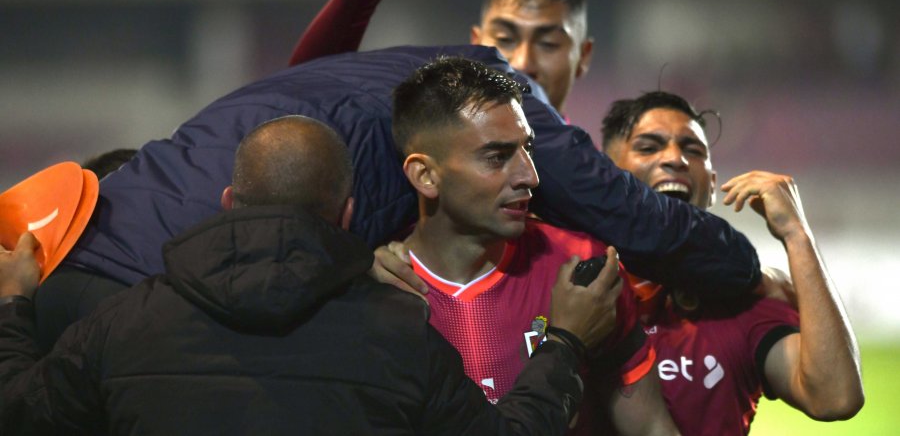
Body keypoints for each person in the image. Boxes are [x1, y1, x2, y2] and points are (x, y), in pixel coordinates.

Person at [41, 44, 759, 350]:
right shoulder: (499, 101)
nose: (527, 173)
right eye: (507, 155)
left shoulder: (366, 82)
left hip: (61, 267)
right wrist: (744, 268)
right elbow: (621, 210)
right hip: (152, 306)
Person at [0, 115, 618, 435]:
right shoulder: (399, 333)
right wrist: (564, 344)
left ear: (226, 202)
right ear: (348, 215)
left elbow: (19, 415)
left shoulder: (125, 322)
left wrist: (12, 305)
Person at [390, 57, 679, 435]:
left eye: (527, 149)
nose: (530, 176)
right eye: (496, 157)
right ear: (425, 175)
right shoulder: (378, 293)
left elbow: (652, 428)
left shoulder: (583, 269)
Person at [600, 91, 864, 434]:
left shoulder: (750, 295)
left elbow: (835, 397)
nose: (675, 159)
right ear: (606, 177)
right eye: (649, 147)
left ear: (711, 185)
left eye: (692, 150)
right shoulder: (572, 279)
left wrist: (797, 236)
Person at [290, 0, 591, 114]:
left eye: (549, 44)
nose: (523, 63)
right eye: (504, 40)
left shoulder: (602, 193)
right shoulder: (417, 163)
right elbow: (303, 90)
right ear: (476, 43)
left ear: (583, 57)